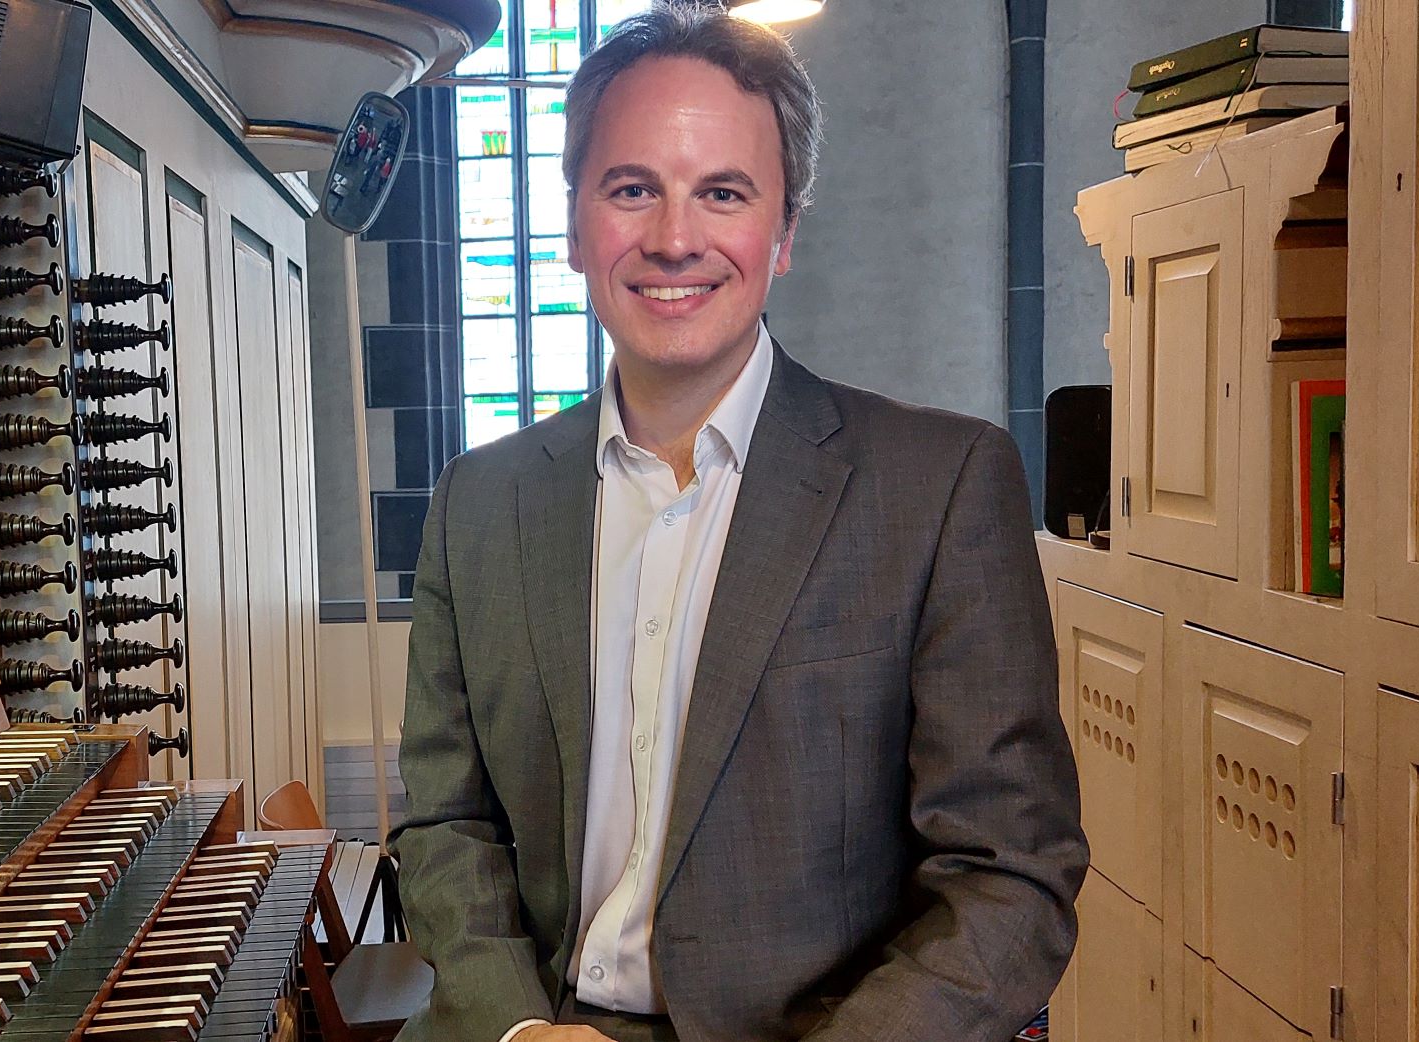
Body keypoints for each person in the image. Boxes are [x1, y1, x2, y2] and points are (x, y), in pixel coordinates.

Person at [387, 4, 1088, 1041]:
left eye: (722, 193)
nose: (674, 240)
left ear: (784, 231)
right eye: (631, 189)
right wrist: (518, 1029)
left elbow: (1009, 874)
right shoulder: (477, 503)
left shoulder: (937, 487)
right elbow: (445, 822)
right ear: (575, 224)